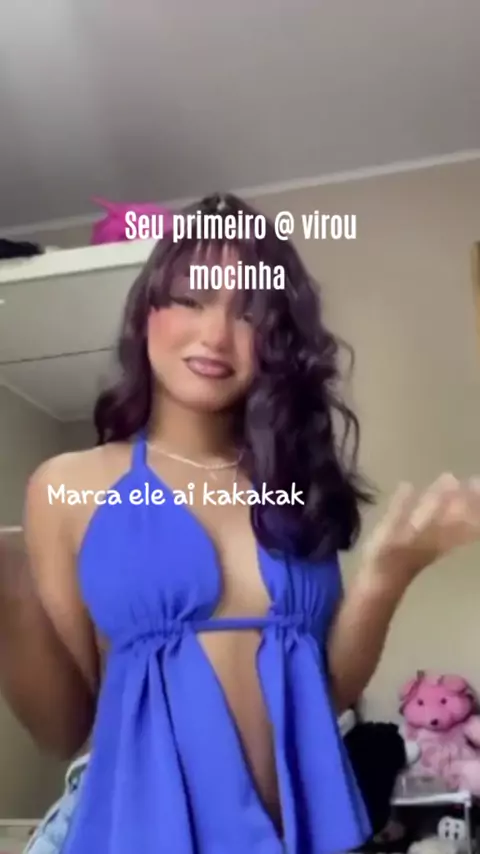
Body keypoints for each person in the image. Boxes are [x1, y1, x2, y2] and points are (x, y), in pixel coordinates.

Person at [1, 192, 480, 854]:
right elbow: (61, 730)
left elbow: (321, 697)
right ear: (147, 312)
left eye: (249, 312)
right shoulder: (70, 485)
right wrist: (7, 584)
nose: (216, 335)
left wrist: (388, 574)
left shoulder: (291, 483)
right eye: (191, 299)